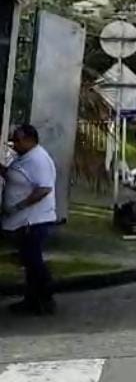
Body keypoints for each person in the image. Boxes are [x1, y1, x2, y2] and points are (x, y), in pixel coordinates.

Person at [1, 124, 58, 316]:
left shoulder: (38, 159)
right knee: (29, 261)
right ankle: (34, 298)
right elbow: (15, 177)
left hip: (34, 221)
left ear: (29, 140)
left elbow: (44, 189)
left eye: (17, 140)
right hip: (22, 221)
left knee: (33, 261)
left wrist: (18, 206)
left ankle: (44, 297)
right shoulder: (24, 159)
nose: (14, 144)